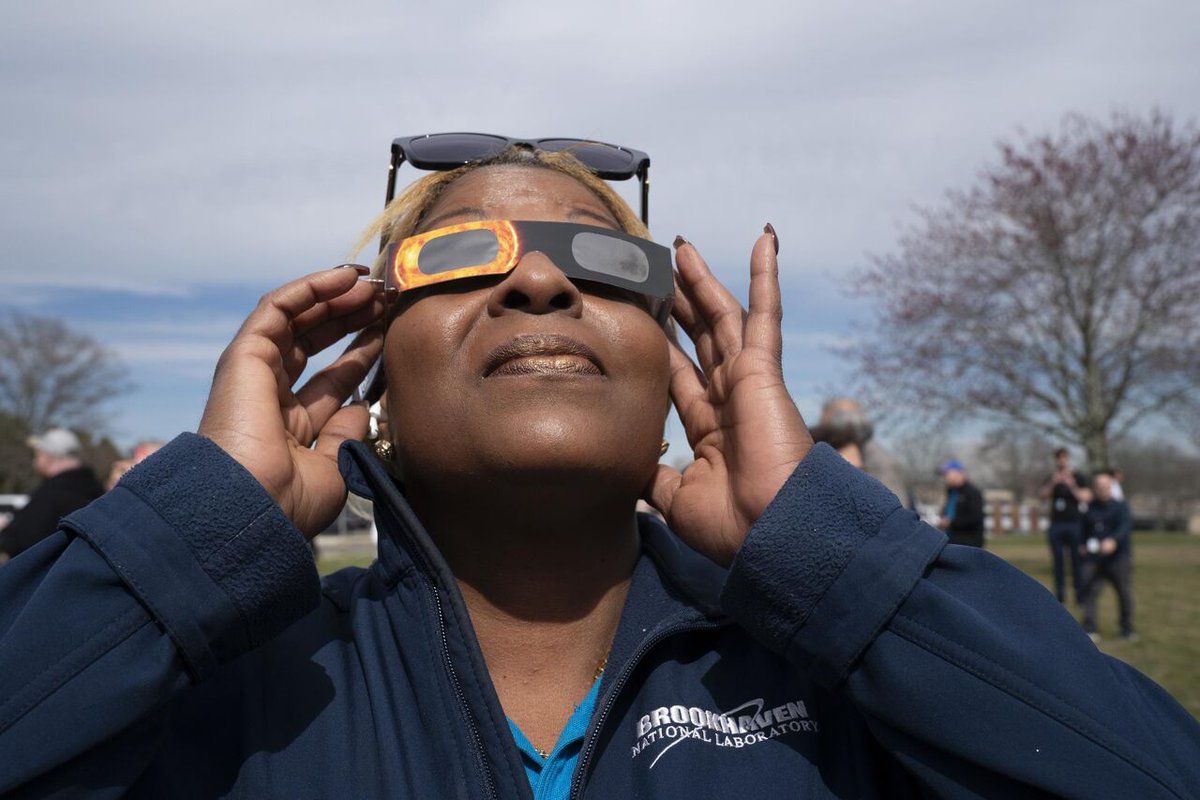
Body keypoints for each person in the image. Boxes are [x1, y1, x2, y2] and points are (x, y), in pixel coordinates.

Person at [1, 141, 1198, 799]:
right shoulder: (219, 697)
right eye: (465, 253)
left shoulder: (849, 684)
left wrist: (828, 549)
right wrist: (200, 534)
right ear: (368, 369)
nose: (538, 283)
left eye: (599, 260)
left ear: (674, 367)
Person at [0, 427, 103, 559]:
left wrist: (6, 532)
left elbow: (23, 543)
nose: (35, 459)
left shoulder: (52, 492)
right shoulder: (94, 487)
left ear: (50, 456)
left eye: (38, 453)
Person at [808, 396, 906, 499]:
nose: (821, 425)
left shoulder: (870, 457)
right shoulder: (876, 453)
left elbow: (894, 505)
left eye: (824, 422)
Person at [1079, 472, 1136, 641]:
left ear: (1111, 487)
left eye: (1106, 486)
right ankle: (1090, 628)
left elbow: (1125, 526)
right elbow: (1083, 529)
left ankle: (1127, 629)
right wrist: (1081, 545)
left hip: (1119, 557)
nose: (1103, 489)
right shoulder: (1089, 508)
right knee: (1090, 591)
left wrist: (1114, 540)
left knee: (1123, 592)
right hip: (1095, 559)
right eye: (1099, 486)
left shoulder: (1121, 507)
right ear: (1094, 488)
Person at [1039, 447, 1089, 604]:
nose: (1061, 460)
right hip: (1056, 524)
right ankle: (1060, 597)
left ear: (1068, 458)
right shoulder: (1052, 477)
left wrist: (1072, 484)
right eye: (1059, 457)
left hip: (1074, 523)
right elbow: (1043, 496)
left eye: (1064, 457)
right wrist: (1053, 483)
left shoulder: (1078, 476)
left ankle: (1079, 596)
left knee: (1076, 561)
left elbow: (1086, 497)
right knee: (1058, 561)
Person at [935, 458, 985, 547]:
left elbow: (975, 518)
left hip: (969, 544)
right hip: (951, 541)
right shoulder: (950, 491)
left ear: (958, 473)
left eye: (947, 473)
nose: (944, 477)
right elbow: (947, 511)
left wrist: (951, 522)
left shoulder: (972, 492)